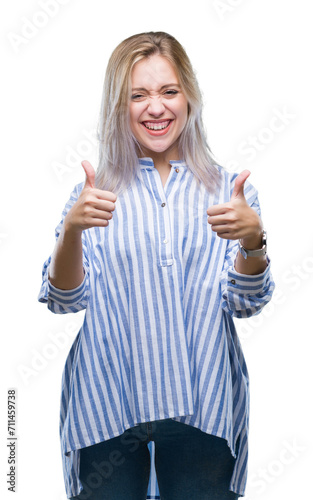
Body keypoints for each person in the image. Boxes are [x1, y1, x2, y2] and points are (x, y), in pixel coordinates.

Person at [38, 31, 275, 500]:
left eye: (169, 91)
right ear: (118, 106)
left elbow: (245, 303)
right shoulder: (96, 193)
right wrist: (72, 231)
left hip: (203, 408)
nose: (156, 107)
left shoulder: (228, 191)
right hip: (107, 403)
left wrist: (254, 241)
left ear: (189, 97)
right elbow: (64, 301)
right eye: (138, 95)